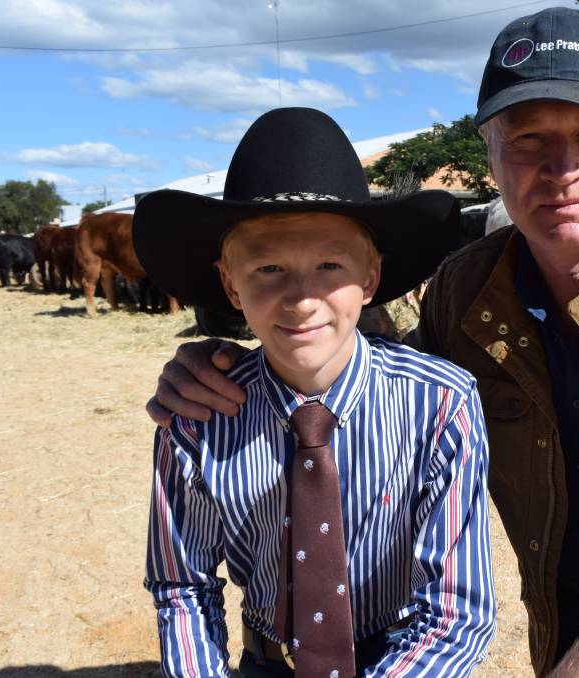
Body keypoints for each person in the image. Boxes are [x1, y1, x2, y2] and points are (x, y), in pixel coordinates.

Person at [146, 8, 579, 677]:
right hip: (569, 612)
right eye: (528, 138)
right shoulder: (466, 291)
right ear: (490, 154)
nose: (560, 168)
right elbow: (363, 369)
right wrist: (221, 363)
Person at [135, 108, 495, 678]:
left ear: (370, 278)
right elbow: (182, 586)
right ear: (230, 284)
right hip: (268, 659)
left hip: (402, 654)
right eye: (269, 268)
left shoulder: (441, 404)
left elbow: (457, 612)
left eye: (330, 265)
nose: (301, 299)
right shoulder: (195, 420)